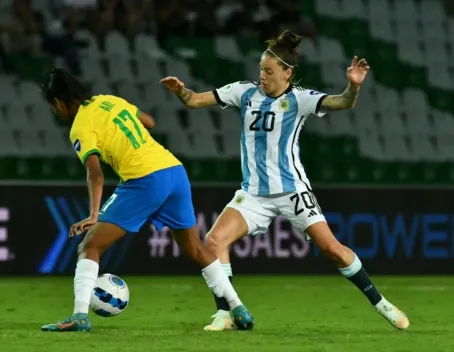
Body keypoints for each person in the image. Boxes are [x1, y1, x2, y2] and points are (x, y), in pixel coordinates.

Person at [160, 30, 410, 332]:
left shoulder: (300, 100)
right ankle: (225, 312)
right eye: (261, 70)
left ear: (287, 73)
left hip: (292, 191)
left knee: (332, 249)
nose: (262, 76)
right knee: (214, 241)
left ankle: (381, 303)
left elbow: (343, 102)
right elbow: (195, 101)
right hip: (253, 194)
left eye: (268, 71)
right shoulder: (244, 92)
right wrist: (180, 91)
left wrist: (353, 87)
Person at [39, 68, 254, 332]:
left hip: (144, 179)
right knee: (196, 249)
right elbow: (149, 122)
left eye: (54, 107)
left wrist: (93, 214)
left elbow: (95, 175)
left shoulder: (80, 127)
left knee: (90, 246)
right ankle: (239, 308)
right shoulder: (110, 100)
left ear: (58, 103)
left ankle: (79, 316)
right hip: (174, 171)